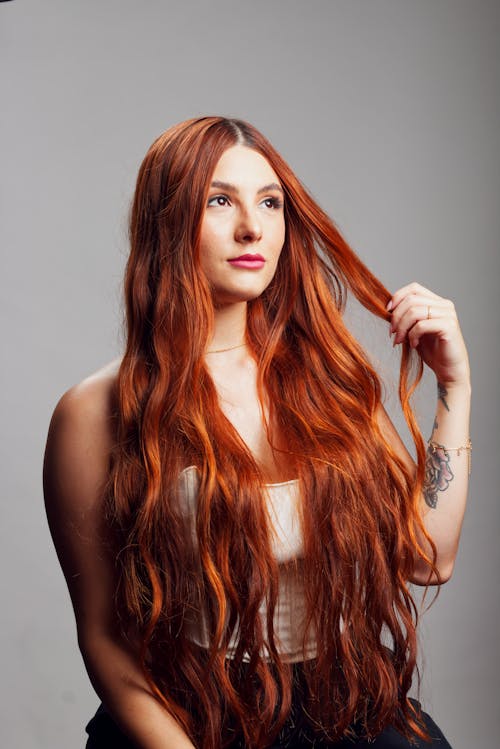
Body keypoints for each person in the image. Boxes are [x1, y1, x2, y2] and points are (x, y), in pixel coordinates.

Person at [43, 116, 471, 749]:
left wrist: (454, 388)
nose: (253, 226)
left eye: (270, 203)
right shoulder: (93, 411)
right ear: (168, 221)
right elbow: (104, 635)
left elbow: (429, 560)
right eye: (221, 201)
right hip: (185, 718)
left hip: (344, 708)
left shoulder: (330, 381)